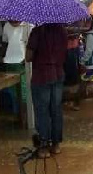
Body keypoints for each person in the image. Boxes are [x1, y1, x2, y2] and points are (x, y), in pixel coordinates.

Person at [26, 23, 68, 158]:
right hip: (58, 74)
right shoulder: (62, 31)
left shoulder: (37, 31)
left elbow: (28, 56)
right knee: (56, 110)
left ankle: (44, 146)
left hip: (41, 76)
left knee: (42, 110)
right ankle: (56, 145)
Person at [1, 21, 31, 110]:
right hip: (11, 61)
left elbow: (31, 44)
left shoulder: (28, 25)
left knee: (22, 89)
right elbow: (5, 42)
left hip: (22, 61)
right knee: (14, 89)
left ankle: (23, 113)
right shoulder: (7, 25)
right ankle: (18, 113)